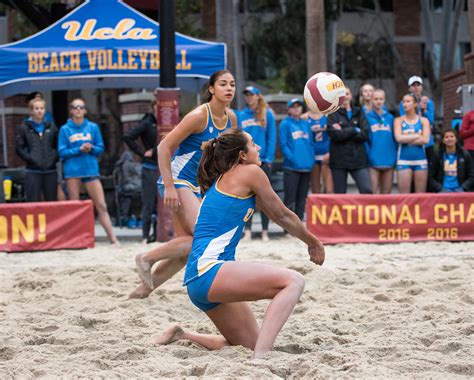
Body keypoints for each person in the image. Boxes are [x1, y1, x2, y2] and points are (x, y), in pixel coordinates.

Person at [155, 128, 325, 359]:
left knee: (251, 343)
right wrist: (313, 242)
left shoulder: (228, 178)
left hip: (198, 281)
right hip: (211, 271)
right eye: (253, 144)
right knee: (293, 281)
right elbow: (283, 215)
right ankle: (260, 360)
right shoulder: (249, 172)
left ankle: (182, 334)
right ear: (242, 155)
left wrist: (308, 240)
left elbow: (276, 214)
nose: (259, 148)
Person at [129, 70, 237, 299]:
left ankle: (141, 292)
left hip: (197, 186)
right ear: (211, 89)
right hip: (178, 180)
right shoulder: (198, 115)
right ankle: (146, 258)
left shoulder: (232, 119)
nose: (229, 88)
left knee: (186, 248)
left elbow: (229, 157)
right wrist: (169, 186)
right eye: (223, 84)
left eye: (232, 84)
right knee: (202, 236)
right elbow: (163, 148)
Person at [58, 98, 119, 244]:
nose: (78, 110)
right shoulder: (65, 129)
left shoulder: (93, 127)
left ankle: (113, 238)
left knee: (101, 205)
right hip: (72, 171)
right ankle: (75, 239)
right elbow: (61, 152)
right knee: (74, 206)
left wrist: (91, 148)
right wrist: (78, 149)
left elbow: (100, 148)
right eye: (75, 107)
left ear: (85, 110)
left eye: (81, 107)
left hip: (90, 170)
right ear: (71, 110)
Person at [238, 85, 276, 241]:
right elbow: (240, 139)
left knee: (264, 197)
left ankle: (265, 231)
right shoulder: (241, 115)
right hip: (246, 162)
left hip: (263, 161)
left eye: (252, 94)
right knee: (247, 197)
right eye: (246, 95)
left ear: (258, 96)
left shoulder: (267, 114)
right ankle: (247, 230)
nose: (249, 97)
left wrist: (269, 159)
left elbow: (272, 137)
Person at [122, 100, 158, 243]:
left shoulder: (171, 121)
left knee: (163, 204)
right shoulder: (147, 123)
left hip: (166, 168)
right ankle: (145, 235)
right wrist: (142, 152)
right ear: (153, 108)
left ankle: (158, 233)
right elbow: (127, 136)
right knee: (148, 202)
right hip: (150, 167)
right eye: (157, 106)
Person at [327, 87, 372, 194]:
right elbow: (334, 135)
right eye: (341, 94)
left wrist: (344, 130)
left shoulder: (359, 112)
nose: (345, 97)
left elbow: (365, 134)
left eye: (347, 94)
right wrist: (354, 129)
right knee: (340, 195)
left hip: (358, 160)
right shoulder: (333, 113)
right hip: (339, 161)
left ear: (351, 96)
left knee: (367, 190)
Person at [15, 97, 58, 202]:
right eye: (36, 108)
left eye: (42, 108)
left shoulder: (51, 126)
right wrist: (31, 159)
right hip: (33, 171)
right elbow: (19, 149)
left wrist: (53, 158)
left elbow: (58, 146)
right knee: (32, 203)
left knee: (51, 203)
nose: (39, 111)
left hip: (50, 170)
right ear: (31, 111)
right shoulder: (24, 127)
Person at [278, 98, 315, 221]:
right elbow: (283, 145)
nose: (296, 108)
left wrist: (311, 159)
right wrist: (292, 158)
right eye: (293, 106)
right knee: (290, 198)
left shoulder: (306, 124)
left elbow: (311, 143)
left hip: (306, 167)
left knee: (302, 198)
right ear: (289, 109)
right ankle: (288, 228)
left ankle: (299, 226)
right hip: (291, 167)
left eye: (298, 106)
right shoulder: (285, 124)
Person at [399, 76, 436, 176]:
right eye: (413, 85)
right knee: (411, 172)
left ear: (422, 87)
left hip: (427, 142)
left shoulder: (428, 102)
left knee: (430, 172)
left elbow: (431, 122)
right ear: (409, 88)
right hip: (411, 140)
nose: (416, 87)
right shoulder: (404, 103)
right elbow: (405, 121)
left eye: (418, 85)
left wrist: (425, 110)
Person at [394, 94, 431, 193]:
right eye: (403, 102)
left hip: (420, 160)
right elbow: (398, 138)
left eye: (408, 101)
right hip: (403, 160)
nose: (405, 104)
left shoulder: (424, 120)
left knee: (420, 196)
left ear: (415, 104)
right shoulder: (398, 120)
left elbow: (425, 140)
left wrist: (406, 138)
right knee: (404, 197)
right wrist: (417, 135)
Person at [365, 89, 397, 194]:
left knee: (386, 194)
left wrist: (394, 157)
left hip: (389, 160)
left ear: (384, 100)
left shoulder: (390, 118)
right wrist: (368, 156)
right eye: (376, 99)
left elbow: (394, 138)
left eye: (381, 99)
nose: (378, 101)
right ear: (371, 100)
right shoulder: (366, 117)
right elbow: (365, 140)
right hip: (373, 161)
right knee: (372, 194)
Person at [428, 128, 474, 192]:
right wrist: (441, 189)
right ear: (443, 140)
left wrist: (462, 188)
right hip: (442, 192)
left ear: (456, 139)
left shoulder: (465, 154)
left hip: (460, 191)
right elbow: (430, 177)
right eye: (446, 137)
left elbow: (471, 176)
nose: (449, 139)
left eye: (452, 136)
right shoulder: (437, 155)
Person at [302, 110, 333, 194]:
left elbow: (333, 135)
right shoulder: (304, 117)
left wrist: (331, 151)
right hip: (313, 155)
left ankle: (327, 206)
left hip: (326, 154)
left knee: (329, 188)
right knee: (315, 188)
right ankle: (317, 206)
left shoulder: (327, 115)